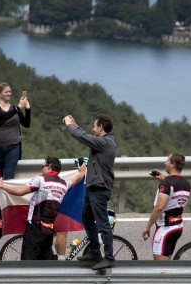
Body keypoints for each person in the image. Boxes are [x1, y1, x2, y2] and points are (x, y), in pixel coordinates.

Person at [0, 156, 86, 261]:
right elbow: (76, 178)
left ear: (49, 167)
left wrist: (2, 186)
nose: (41, 168)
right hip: (49, 228)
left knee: (28, 263)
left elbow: (19, 192)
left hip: (34, 227)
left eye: (43, 165)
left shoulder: (40, 179)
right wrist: (82, 172)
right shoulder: (64, 184)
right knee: (44, 263)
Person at [62, 113, 117, 270]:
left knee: (102, 223)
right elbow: (86, 136)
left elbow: (82, 137)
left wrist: (69, 125)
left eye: (94, 125)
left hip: (99, 189)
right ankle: (94, 252)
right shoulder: (103, 142)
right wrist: (76, 125)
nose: (93, 128)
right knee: (86, 219)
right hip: (93, 187)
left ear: (101, 127)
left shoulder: (106, 143)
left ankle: (109, 257)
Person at [142, 153, 191, 260]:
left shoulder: (167, 183)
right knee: (167, 267)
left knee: (160, 270)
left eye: (167, 161)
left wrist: (147, 227)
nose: (165, 163)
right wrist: (164, 179)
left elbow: (159, 207)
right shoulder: (186, 183)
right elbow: (174, 193)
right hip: (177, 227)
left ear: (173, 164)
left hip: (165, 229)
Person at [0, 82, 31, 179]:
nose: (9, 94)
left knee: (10, 175)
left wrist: (27, 109)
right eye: (6, 92)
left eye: (10, 91)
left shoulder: (14, 108)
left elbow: (26, 124)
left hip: (13, 146)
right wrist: (19, 107)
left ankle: (8, 194)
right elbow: (3, 116)